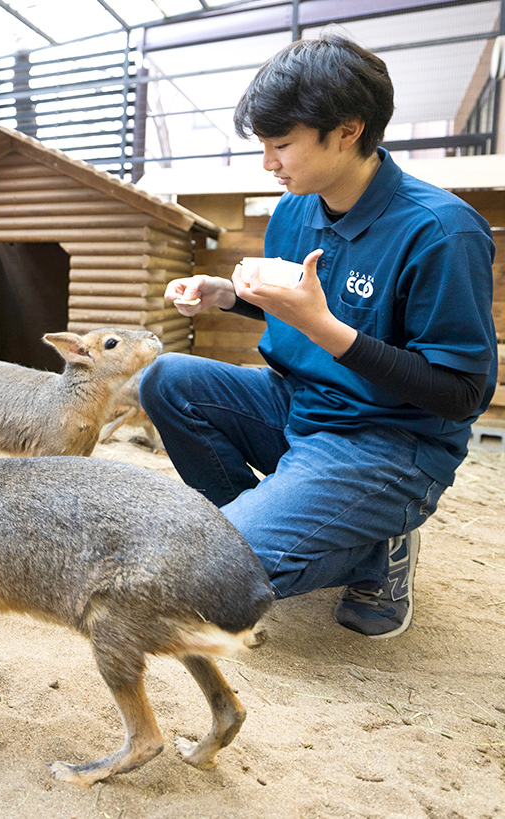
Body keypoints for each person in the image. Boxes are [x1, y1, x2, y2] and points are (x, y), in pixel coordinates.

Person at [140, 33, 497, 639]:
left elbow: (463, 395)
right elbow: (296, 308)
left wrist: (327, 331)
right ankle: (268, 530)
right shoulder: (295, 209)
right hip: (301, 405)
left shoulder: (442, 231)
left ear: (349, 130)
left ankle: (374, 546)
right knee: (167, 378)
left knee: (215, 576)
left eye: (281, 144)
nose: (268, 163)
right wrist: (230, 296)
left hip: (387, 438)